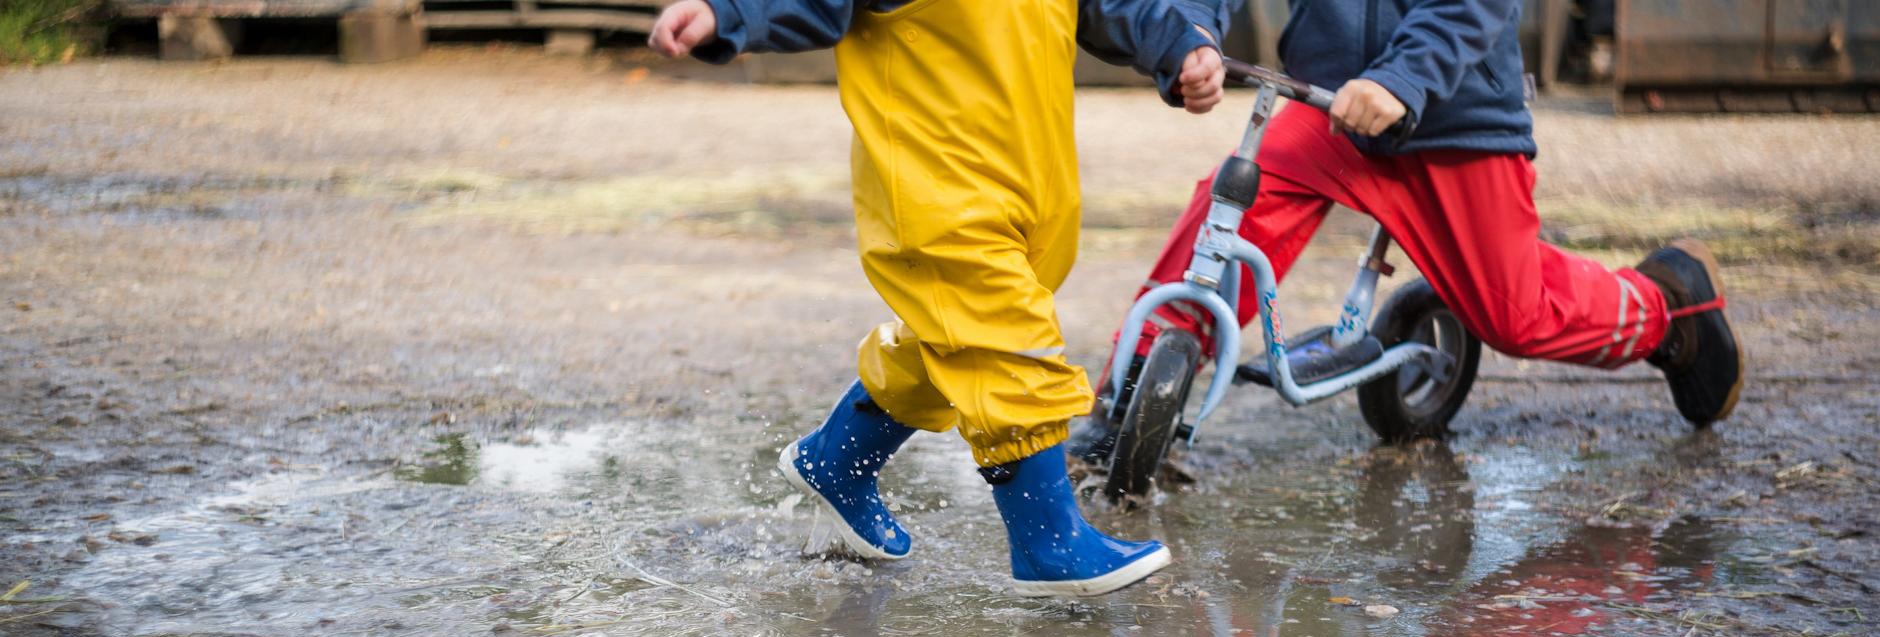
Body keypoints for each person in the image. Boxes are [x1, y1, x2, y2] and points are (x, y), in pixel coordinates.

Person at [648, 0, 1230, 596]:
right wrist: (728, 11)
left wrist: (1182, 41)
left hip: (1031, 177)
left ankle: (839, 460)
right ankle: (1047, 544)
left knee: (955, 334)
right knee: (1004, 339)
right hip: (934, 180)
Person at [1088, 0, 1743, 443]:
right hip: (1328, 104)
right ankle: (1138, 382)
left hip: (1453, 116)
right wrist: (1186, 36)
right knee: (1235, 204)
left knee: (1519, 315)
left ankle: (1667, 310)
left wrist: (1403, 78)